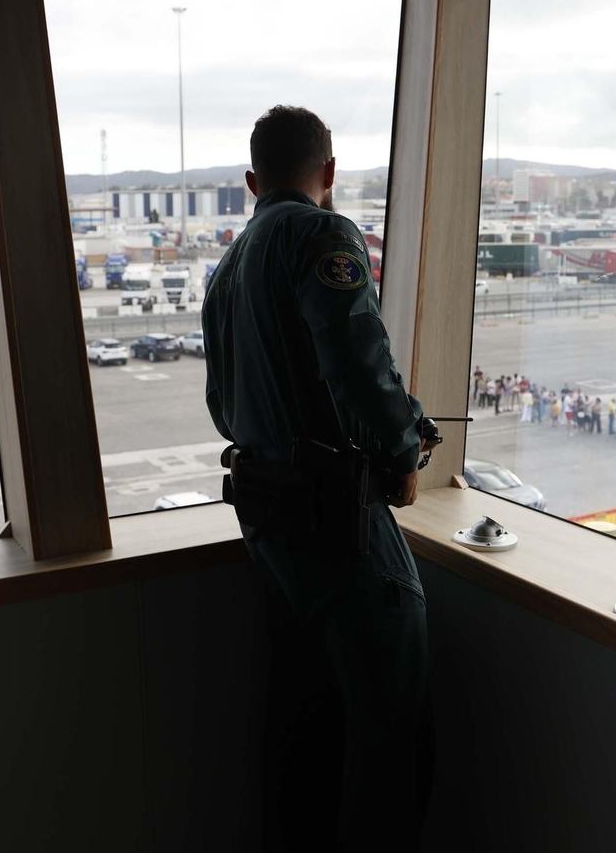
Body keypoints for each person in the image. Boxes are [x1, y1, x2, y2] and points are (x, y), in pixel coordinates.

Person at [202, 105, 435, 846]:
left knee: (303, 732)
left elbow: (223, 404)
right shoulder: (323, 234)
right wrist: (403, 452)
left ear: (251, 181)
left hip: (267, 520)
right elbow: (358, 368)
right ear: (328, 174)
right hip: (334, 523)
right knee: (389, 739)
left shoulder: (228, 266)